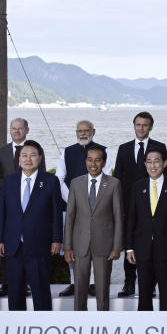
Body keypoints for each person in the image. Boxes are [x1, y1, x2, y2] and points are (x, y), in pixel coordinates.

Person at [0, 140, 64, 311]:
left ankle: (42, 328)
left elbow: (56, 213)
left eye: (32, 155)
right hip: (13, 245)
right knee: (15, 292)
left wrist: (57, 239)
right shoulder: (9, 181)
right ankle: (17, 329)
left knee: (40, 291)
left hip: (39, 245)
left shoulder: (50, 181)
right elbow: (2, 214)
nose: (28, 159)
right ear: (18, 159)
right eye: (24, 155)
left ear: (40, 158)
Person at [113, 111, 167, 298]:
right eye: (138, 124)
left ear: (151, 127)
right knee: (131, 244)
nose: (141, 128)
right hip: (129, 206)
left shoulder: (159, 147)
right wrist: (118, 206)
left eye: (145, 125)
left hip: (153, 206)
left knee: (151, 246)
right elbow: (117, 179)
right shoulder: (123, 148)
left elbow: (164, 178)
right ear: (134, 126)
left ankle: (150, 285)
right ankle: (129, 284)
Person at [125, 147, 167, 311]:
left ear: (165, 163)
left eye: (157, 161)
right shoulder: (137, 187)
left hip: (165, 248)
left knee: (166, 291)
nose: (153, 166)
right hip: (142, 248)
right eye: (149, 162)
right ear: (145, 164)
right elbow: (131, 219)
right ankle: (144, 326)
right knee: (144, 292)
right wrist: (129, 247)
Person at [55, 120, 111, 297]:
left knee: (95, 245)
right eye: (79, 131)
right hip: (70, 209)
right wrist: (73, 200)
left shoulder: (104, 151)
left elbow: (107, 177)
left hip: (97, 209)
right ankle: (74, 283)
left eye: (87, 130)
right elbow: (59, 178)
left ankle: (93, 283)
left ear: (93, 131)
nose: (83, 134)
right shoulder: (67, 151)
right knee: (71, 247)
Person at [0, 117, 45, 297]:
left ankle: (28, 283)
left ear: (27, 130)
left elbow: (42, 175)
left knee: (29, 245)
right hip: (8, 204)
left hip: (31, 205)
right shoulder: (2, 151)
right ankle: (6, 283)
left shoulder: (36, 150)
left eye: (20, 128)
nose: (16, 131)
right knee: (7, 244)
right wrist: (10, 189)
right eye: (13, 128)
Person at [64, 146, 123, 311]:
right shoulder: (75, 183)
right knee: (79, 288)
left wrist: (117, 246)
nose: (93, 164)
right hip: (79, 244)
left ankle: (102, 323)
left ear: (103, 163)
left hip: (104, 244)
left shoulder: (113, 184)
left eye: (98, 160)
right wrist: (67, 247)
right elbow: (70, 217)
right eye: (90, 159)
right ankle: (79, 322)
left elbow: (118, 218)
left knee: (102, 289)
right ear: (85, 162)